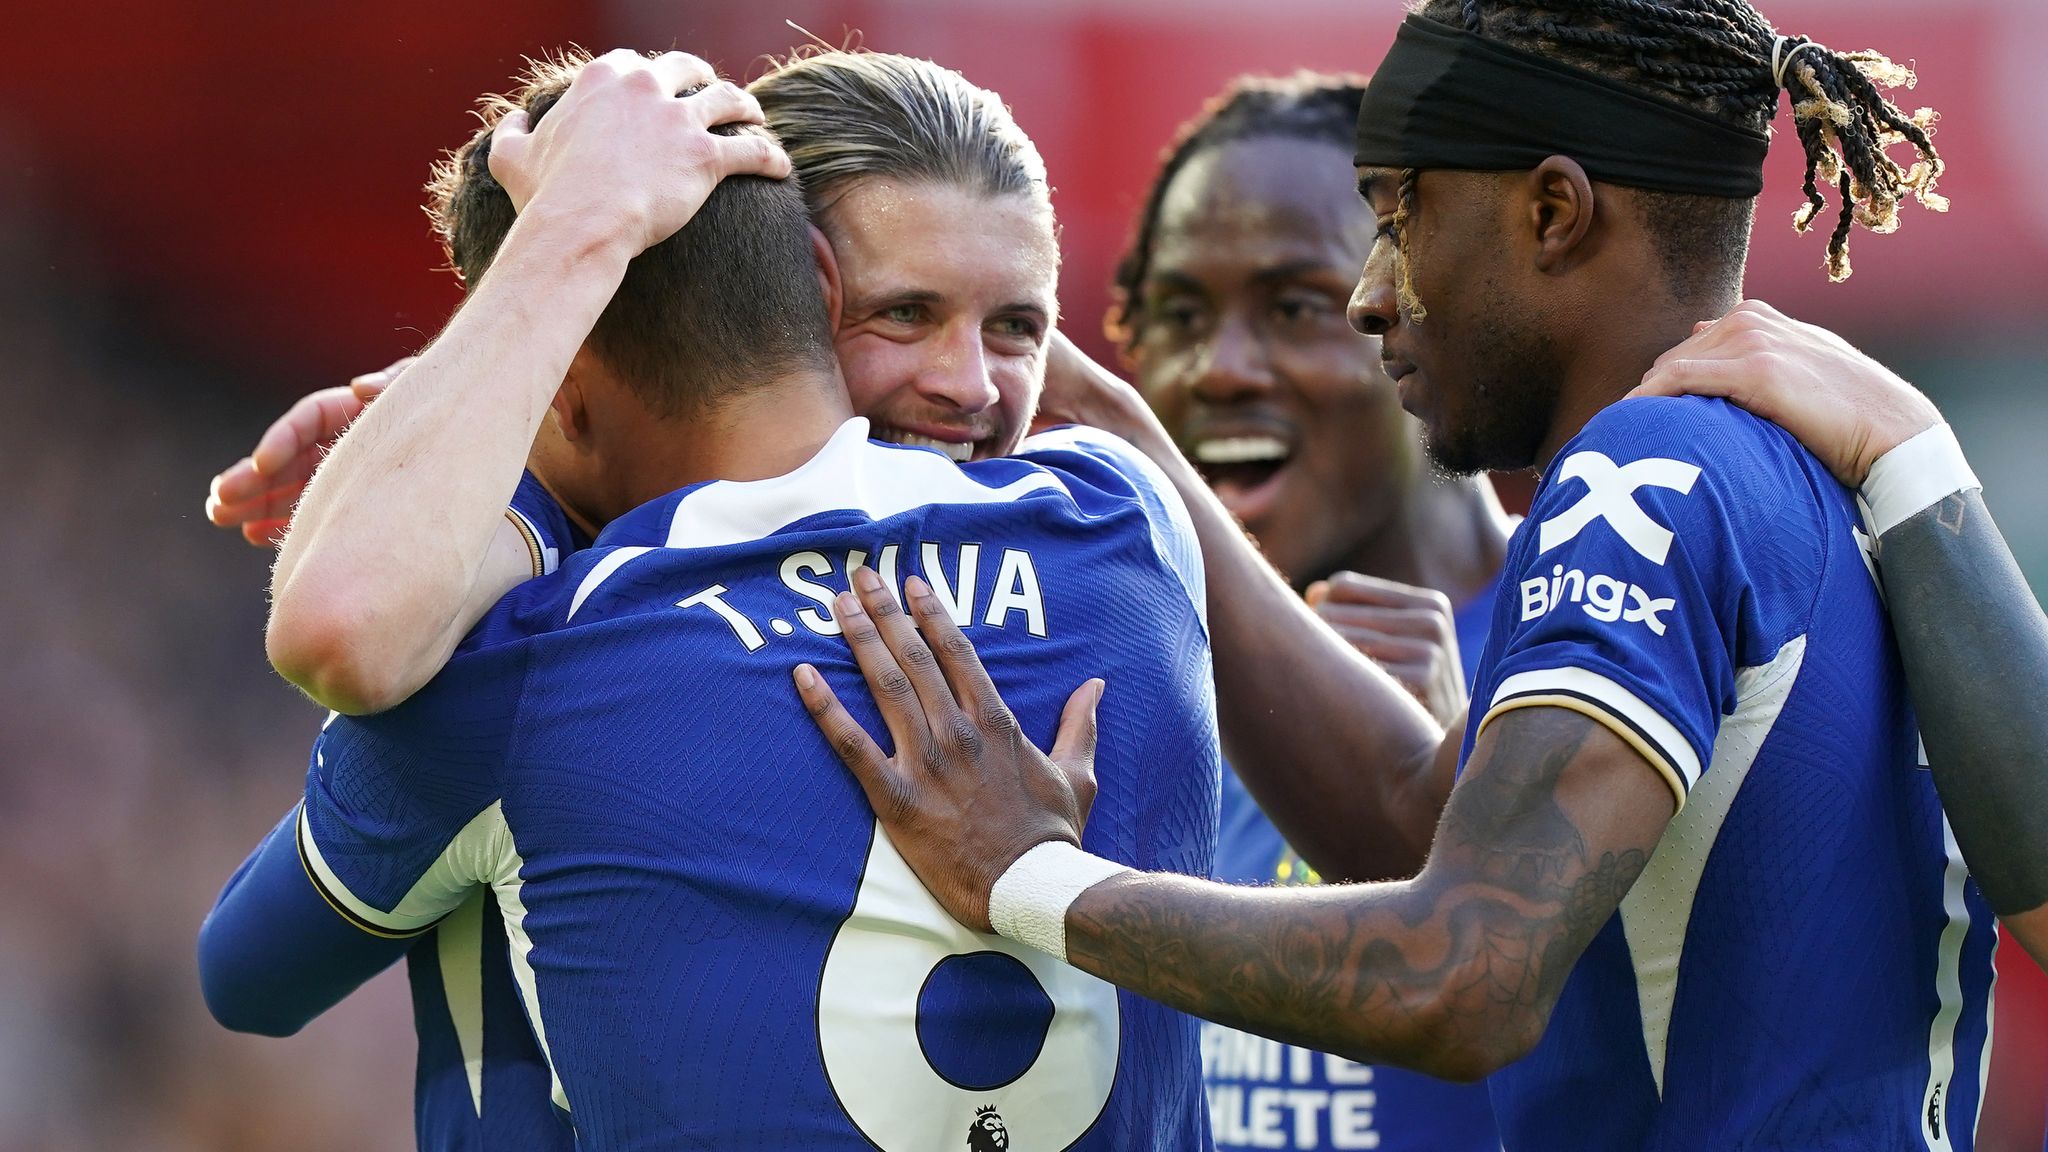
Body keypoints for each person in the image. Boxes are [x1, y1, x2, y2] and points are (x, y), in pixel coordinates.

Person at [791, 2, 2005, 1149]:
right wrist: (1125, 442)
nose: (1374, 295)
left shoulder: (1639, 475)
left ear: (1549, 212)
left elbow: (1462, 973)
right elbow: (1419, 827)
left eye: (1396, 214)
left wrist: (1028, 874)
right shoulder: (1811, 463)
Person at [198, 49, 1221, 1149]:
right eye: (904, 315)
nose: (970, 388)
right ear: (802, 290)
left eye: (1017, 327)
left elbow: (246, 974)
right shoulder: (1123, 526)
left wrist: (496, 441)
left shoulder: (534, 654)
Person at [1104, 72, 1508, 1150]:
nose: (1221, 370)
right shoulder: (1116, 681)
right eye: (1177, 316)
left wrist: (1461, 786)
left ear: (1422, 313)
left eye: (1294, 306)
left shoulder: (1592, 636)